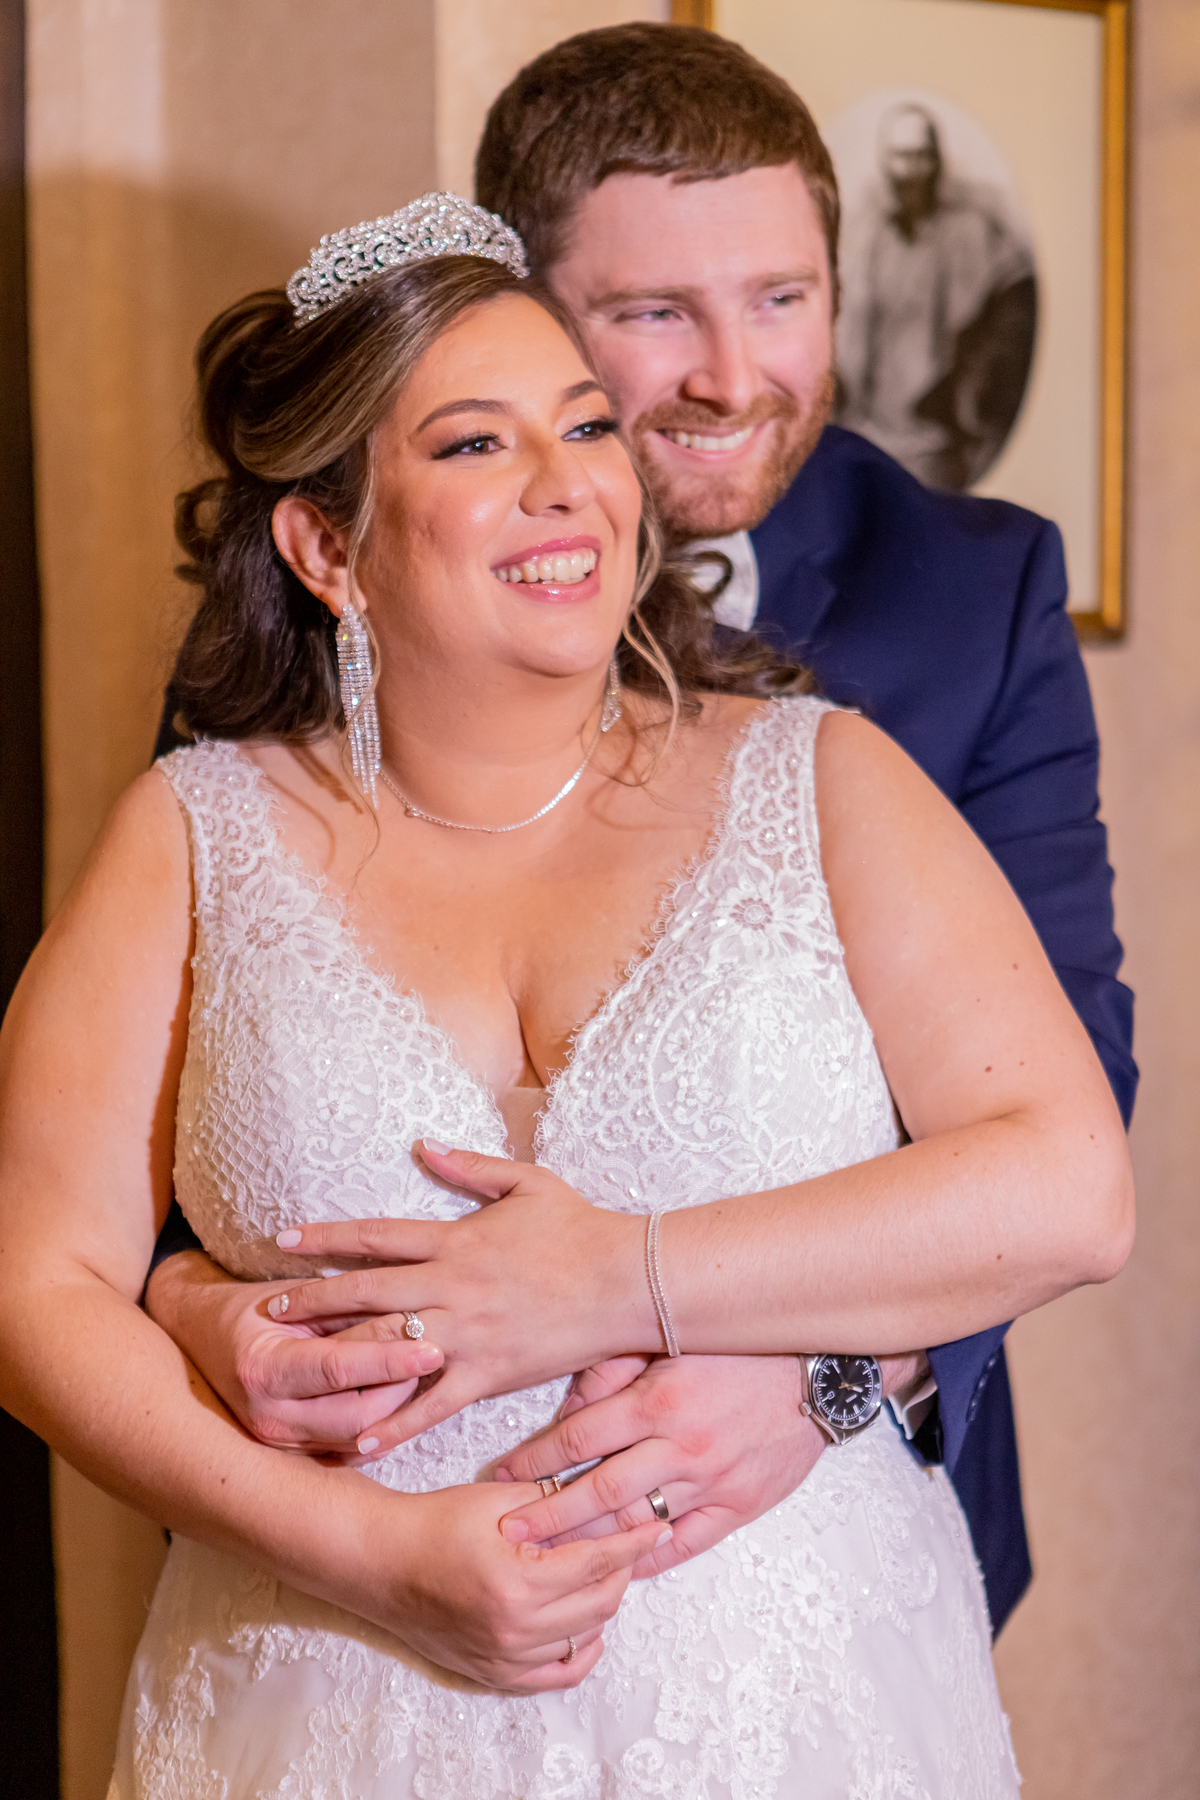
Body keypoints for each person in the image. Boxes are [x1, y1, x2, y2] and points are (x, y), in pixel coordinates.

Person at [0, 197, 1131, 1797]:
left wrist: (621, 1277)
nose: (565, 482)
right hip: (329, 1701)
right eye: (475, 443)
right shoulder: (192, 836)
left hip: (798, 1704)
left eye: (588, 425)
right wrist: (370, 1555)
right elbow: (35, 1288)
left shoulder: (824, 783)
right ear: (326, 547)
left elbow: (1068, 1185)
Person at [836, 102, 1038, 489]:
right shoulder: (868, 235)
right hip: (868, 440)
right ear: (885, 163)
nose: (908, 172)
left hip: (934, 447)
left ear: (936, 162)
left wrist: (971, 389)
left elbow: (1017, 288)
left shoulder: (970, 231)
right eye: (899, 157)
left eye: (919, 157)